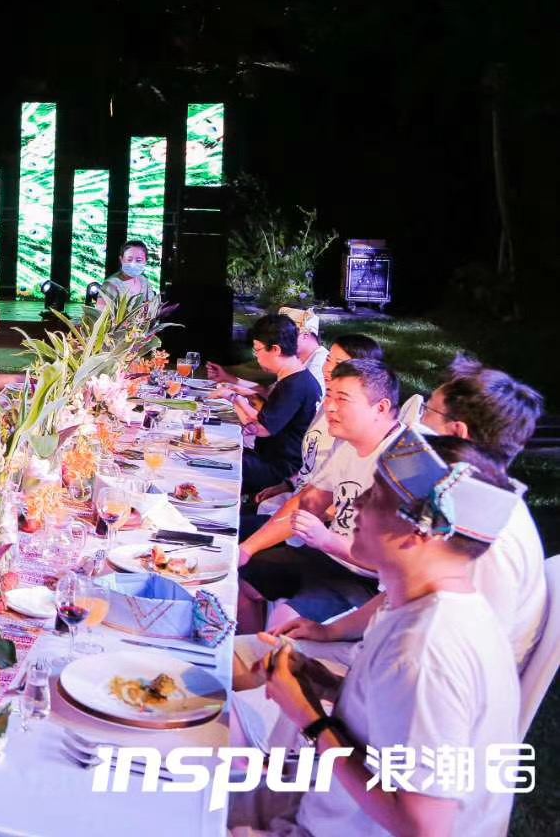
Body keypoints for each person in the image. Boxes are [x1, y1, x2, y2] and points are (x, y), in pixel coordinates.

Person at [233, 432, 522, 837]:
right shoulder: (419, 607)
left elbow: (425, 826)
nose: (355, 503)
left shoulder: (427, 651)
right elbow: (390, 716)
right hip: (315, 806)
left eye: (377, 496)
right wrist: (323, 683)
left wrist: (310, 719)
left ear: (422, 531)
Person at [277, 360, 547, 673]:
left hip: (399, 674)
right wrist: (329, 632)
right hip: (374, 652)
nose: (414, 423)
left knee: (259, 661)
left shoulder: (484, 536)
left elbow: (456, 665)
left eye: (427, 412)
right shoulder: (458, 500)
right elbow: (396, 593)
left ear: (456, 433)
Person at [237, 359, 401, 631]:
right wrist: (247, 549)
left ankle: (271, 653)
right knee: (237, 575)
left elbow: (393, 563)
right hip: (326, 556)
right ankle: (245, 650)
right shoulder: (349, 443)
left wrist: (327, 540)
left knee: (286, 623)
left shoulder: (401, 467)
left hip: (367, 582)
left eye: (343, 399)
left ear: (380, 408)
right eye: (330, 396)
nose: (330, 407)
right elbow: (307, 503)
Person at [251, 333, 384, 515]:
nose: (328, 369)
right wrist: (288, 485)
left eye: (340, 364)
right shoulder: (327, 404)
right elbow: (313, 463)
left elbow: (338, 491)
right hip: (296, 495)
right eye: (328, 360)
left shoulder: (354, 426)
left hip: (311, 513)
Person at [234, 313, 321, 496]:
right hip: (270, 459)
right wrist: (249, 396)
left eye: (257, 350)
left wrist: (234, 398)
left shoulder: (295, 386)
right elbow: (272, 412)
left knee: (222, 464)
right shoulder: (295, 378)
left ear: (275, 349)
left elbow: (261, 428)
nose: (257, 357)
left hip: (280, 469)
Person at [210, 307, 327, 401]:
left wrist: (235, 398)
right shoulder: (296, 360)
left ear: (306, 335)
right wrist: (229, 379)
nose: (281, 341)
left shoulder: (320, 364)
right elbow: (270, 392)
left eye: (288, 335)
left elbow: (280, 404)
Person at [97, 240, 155, 310]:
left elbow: (152, 308)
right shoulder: (111, 285)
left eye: (138, 260)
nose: (133, 264)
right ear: (121, 260)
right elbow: (99, 313)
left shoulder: (145, 283)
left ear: (145, 262)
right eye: (129, 260)